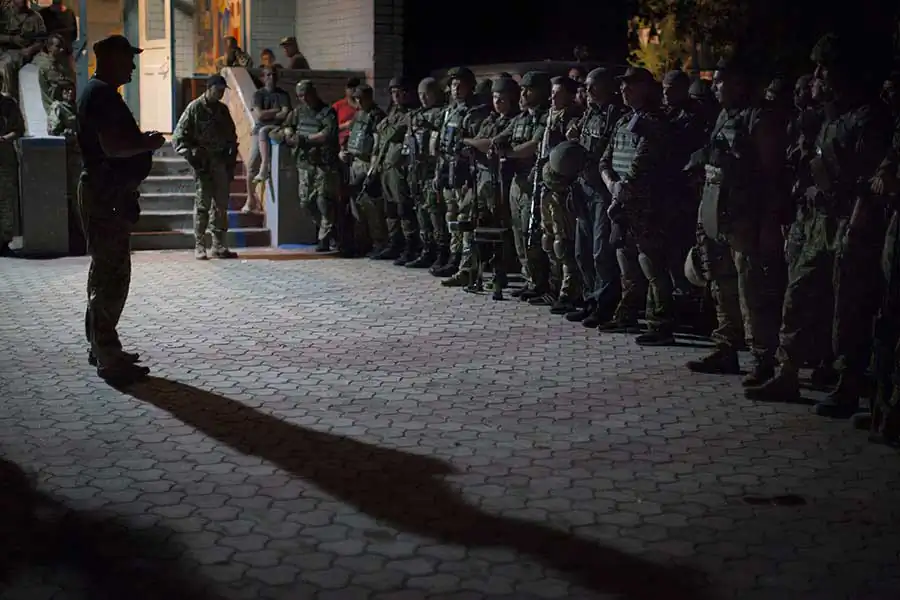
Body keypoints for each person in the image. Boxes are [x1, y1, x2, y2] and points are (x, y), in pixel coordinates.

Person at [77, 34, 165, 383]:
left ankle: (101, 346)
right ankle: (108, 356)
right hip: (106, 194)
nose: (133, 66)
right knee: (111, 276)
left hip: (108, 192)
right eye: (129, 58)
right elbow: (113, 146)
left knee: (105, 272)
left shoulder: (100, 93)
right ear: (112, 59)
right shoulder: (100, 94)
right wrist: (147, 144)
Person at [598, 67, 675, 345]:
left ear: (645, 88)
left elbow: (643, 164)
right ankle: (627, 314)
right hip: (621, 203)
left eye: (630, 85)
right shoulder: (623, 121)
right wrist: (612, 185)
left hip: (648, 206)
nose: (624, 89)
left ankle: (660, 323)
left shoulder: (655, 123)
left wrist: (622, 190)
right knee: (625, 259)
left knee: (650, 263)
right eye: (622, 85)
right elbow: (605, 160)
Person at [565, 67, 628, 328]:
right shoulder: (589, 113)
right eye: (587, 86)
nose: (588, 90)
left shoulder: (616, 115)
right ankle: (590, 298)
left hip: (602, 190)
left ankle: (604, 304)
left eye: (594, 85)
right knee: (582, 251)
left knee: (601, 251)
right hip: (584, 186)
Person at [172, 75, 239, 261]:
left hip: (220, 163)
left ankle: (219, 245)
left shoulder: (222, 110)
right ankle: (200, 244)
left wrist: (230, 158)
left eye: (223, 91)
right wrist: (192, 154)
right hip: (203, 164)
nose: (221, 94)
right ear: (208, 88)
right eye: (218, 90)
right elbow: (178, 138)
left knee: (221, 206)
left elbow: (231, 136)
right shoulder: (194, 108)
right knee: (203, 205)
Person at [280, 80, 340, 252]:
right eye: (300, 96)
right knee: (306, 202)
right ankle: (327, 229)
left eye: (306, 94)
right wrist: (289, 134)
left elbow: (327, 134)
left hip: (323, 164)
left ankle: (324, 237)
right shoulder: (299, 112)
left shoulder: (327, 112)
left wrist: (305, 139)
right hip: (305, 163)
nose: (304, 98)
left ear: (313, 93)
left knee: (323, 201)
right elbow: (287, 126)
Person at [242, 66, 291, 212]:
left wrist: (268, 114)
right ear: (263, 77)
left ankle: (265, 168)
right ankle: (250, 199)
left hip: (276, 128)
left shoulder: (283, 95)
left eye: (274, 75)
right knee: (252, 164)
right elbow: (259, 115)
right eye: (268, 75)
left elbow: (285, 114)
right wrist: (277, 111)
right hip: (260, 130)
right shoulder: (258, 95)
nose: (271, 78)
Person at [47, 78, 83, 254]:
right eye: (66, 90)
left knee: (81, 199)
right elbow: (54, 131)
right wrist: (70, 134)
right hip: (68, 158)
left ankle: (82, 239)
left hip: (80, 157)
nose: (70, 93)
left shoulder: (77, 107)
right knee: (72, 199)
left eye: (72, 90)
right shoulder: (58, 108)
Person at [0, 0, 46, 101]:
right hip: (4, 50)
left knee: (5, 65)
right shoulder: (3, 14)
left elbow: (42, 40)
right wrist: (11, 39)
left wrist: (30, 49)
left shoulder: (35, 17)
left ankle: (9, 100)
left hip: (22, 52)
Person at [0, 71, 24, 257]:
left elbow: (18, 129)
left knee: (6, 201)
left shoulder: (8, 104)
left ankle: (3, 241)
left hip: (4, 157)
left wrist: (4, 139)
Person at [33, 33, 75, 115]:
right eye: (58, 46)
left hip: (66, 107)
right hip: (52, 110)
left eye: (63, 47)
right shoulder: (44, 65)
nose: (62, 50)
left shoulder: (64, 64)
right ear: (49, 48)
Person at [333, 77, 360, 149]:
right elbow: (329, 129)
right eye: (350, 87)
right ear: (346, 89)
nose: (353, 89)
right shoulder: (338, 106)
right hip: (342, 146)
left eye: (355, 86)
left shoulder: (364, 105)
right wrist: (345, 125)